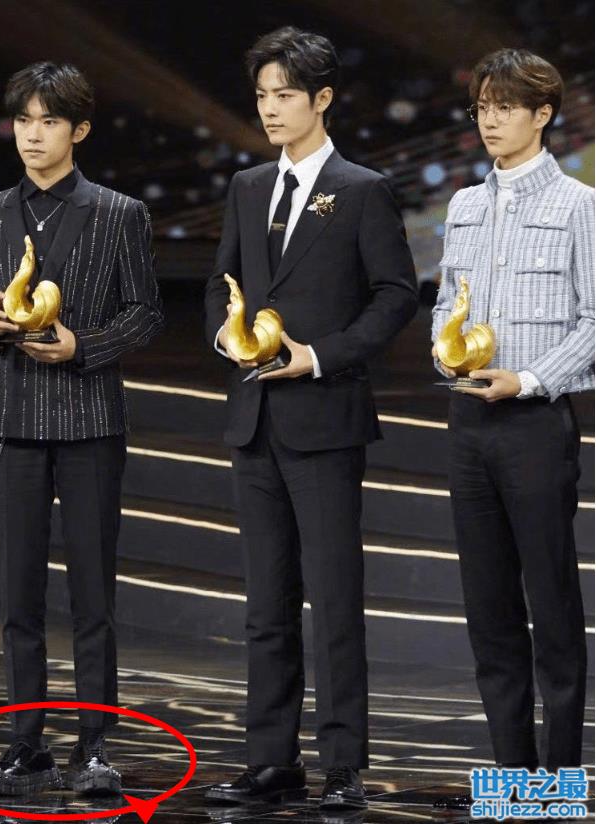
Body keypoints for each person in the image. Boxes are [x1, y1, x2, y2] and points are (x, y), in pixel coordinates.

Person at [203, 26, 417, 810]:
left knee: (333, 601)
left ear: (322, 99)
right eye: (262, 95)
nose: (270, 108)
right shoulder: (247, 185)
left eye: (285, 95)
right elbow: (221, 282)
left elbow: (396, 294)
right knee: (265, 605)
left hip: (324, 417)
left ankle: (343, 765)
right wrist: (226, 337)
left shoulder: (361, 189)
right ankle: (271, 759)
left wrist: (321, 355)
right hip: (254, 418)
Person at [0, 61, 163, 797]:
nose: (33, 135)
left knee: (93, 596)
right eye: (24, 120)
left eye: (49, 121)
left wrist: (83, 346)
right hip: (12, 420)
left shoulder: (119, 213)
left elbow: (146, 312)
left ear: (80, 130)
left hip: (90, 421)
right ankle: (25, 744)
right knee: (17, 597)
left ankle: (94, 746)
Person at [431, 48, 593, 810]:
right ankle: (512, 781)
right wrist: (442, 349)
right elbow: (445, 304)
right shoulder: (464, 205)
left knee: (551, 608)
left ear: (543, 114)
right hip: (467, 423)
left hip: (533, 423)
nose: (490, 121)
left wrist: (527, 379)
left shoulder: (578, 206)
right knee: (489, 609)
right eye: (482, 108)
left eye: (505, 107)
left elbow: (594, 321)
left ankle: (558, 785)